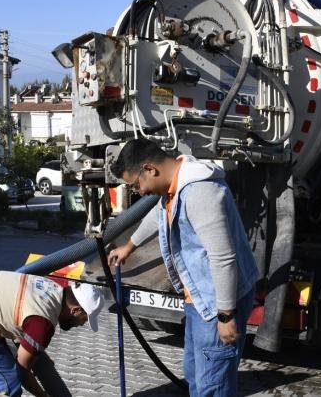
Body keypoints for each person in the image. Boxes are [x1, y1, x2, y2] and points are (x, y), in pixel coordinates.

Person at [107, 138, 259, 397]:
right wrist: (129, 246)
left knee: (212, 385)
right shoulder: (174, 188)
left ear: (149, 169)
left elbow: (223, 257)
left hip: (216, 304)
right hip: (199, 299)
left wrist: (225, 315)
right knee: (196, 377)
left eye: (137, 184)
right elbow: (159, 216)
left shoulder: (200, 192)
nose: (140, 191)